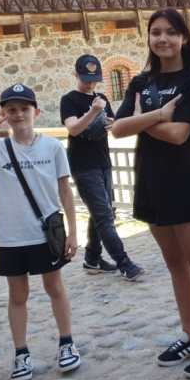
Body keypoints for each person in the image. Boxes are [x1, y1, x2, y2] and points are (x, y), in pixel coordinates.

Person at [111, 8, 190, 378]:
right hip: (151, 181)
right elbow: (117, 128)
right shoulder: (141, 81)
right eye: (156, 32)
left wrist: (140, 120)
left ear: (183, 37)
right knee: (175, 265)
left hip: (185, 181)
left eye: (170, 32)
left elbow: (179, 134)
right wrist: (158, 115)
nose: (162, 38)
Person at [0, 84, 82, 380]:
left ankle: (66, 342)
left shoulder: (52, 147)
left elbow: (65, 191)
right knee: (18, 295)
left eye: (24, 108)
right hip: (11, 235)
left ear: (36, 112)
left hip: (46, 233)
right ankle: (21, 352)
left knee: (55, 287)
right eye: (11, 109)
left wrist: (73, 232)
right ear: (4, 114)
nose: (19, 114)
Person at [60, 54, 143, 280]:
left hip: (103, 161)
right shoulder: (69, 100)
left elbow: (113, 126)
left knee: (104, 211)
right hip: (83, 165)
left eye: (94, 80)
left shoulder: (102, 98)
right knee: (104, 216)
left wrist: (111, 123)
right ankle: (124, 263)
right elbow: (73, 129)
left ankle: (92, 258)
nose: (90, 84)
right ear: (75, 74)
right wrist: (94, 112)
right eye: (86, 79)